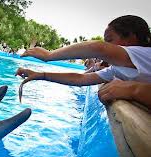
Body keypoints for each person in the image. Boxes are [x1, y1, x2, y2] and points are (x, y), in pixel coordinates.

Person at [15, 15, 151, 107]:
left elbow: (98, 48)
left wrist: (49, 55)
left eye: (109, 40)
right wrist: (41, 75)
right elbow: (80, 79)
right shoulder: (117, 68)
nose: (107, 45)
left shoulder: (145, 54)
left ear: (131, 39)